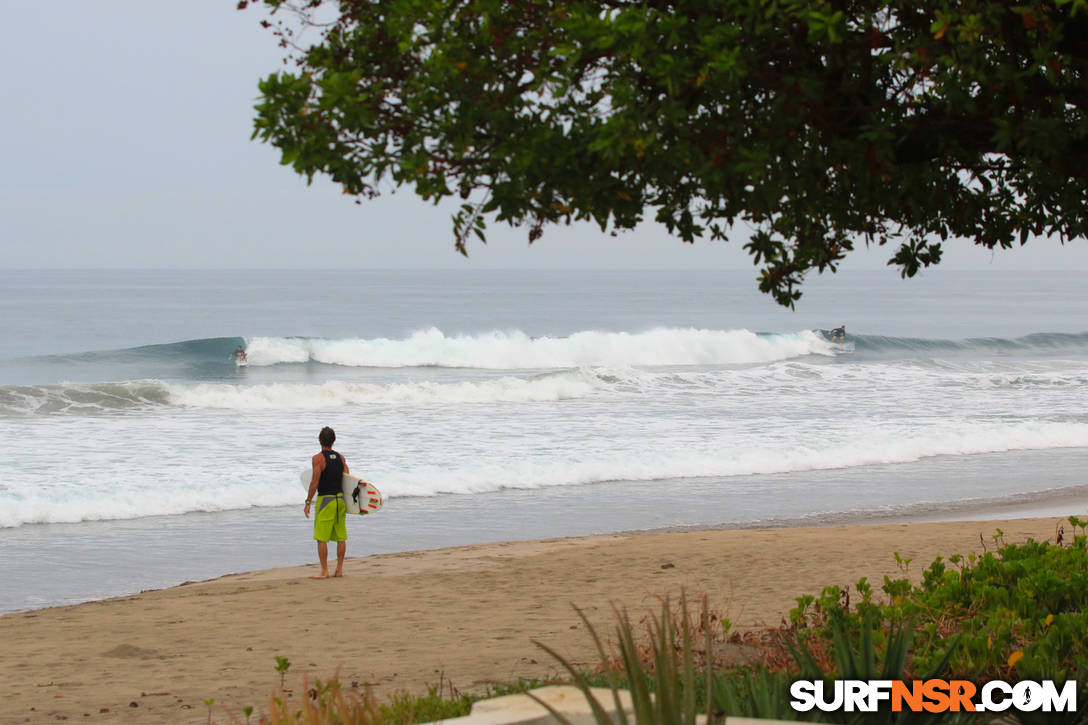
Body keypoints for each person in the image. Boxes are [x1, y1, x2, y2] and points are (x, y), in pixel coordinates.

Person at [304, 426, 349, 579]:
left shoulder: (318, 459)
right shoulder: (341, 458)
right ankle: (339, 569)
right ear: (333, 440)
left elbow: (314, 482)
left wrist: (308, 501)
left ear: (320, 440)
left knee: (321, 537)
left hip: (326, 501)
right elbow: (348, 480)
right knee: (341, 536)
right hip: (340, 500)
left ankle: (324, 571)